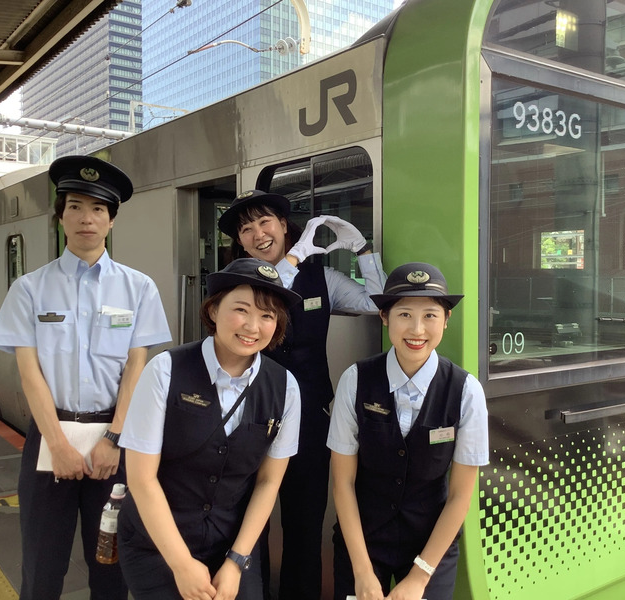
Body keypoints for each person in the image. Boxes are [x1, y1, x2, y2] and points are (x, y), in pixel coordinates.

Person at [0, 155, 172, 600]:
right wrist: (56, 444)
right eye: (74, 206)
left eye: (97, 209)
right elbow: (29, 373)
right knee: (42, 563)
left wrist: (114, 439)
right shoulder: (29, 289)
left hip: (113, 440)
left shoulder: (139, 287)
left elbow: (136, 369)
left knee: (111, 562)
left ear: (111, 221)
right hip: (50, 438)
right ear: (61, 217)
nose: (85, 218)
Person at [218, 189, 387, 600]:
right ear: (239, 242)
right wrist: (292, 260)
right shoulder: (236, 284)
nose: (258, 234)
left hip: (311, 419)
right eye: (246, 228)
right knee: (244, 523)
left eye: (265, 222)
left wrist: (364, 249)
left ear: (283, 225)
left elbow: (379, 303)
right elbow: (270, 299)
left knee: (304, 523)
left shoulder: (322, 278)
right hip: (248, 417)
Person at [117, 258, 303, 600]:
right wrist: (181, 564)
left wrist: (235, 561)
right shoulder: (165, 371)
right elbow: (142, 479)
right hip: (157, 546)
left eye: (267, 315)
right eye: (241, 310)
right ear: (214, 310)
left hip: (233, 546)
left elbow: (268, 481)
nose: (252, 326)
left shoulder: (285, 387)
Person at [327, 262, 489, 600]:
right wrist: (362, 571)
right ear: (385, 318)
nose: (417, 329)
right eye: (404, 315)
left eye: (430, 315)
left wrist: (419, 577)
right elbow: (342, 481)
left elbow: (461, 494)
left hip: (431, 545)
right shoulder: (355, 381)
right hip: (362, 541)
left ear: (446, 320)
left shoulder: (465, 391)